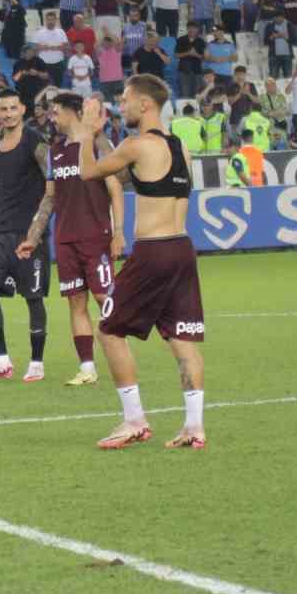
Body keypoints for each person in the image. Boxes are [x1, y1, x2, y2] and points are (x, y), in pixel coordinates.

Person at [77, 75, 207, 451]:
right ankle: (194, 427)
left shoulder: (136, 145)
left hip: (152, 251)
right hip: (182, 247)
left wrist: (87, 132)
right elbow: (125, 172)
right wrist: (102, 138)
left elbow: (89, 172)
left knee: (109, 330)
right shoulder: (180, 149)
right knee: (182, 340)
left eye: (126, 98)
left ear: (146, 104)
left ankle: (134, 420)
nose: (122, 104)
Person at [24, 92, 124, 388]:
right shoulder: (55, 151)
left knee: (105, 299)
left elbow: (116, 189)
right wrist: (33, 235)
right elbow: (51, 196)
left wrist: (119, 232)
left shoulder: (96, 144)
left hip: (96, 237)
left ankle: (121, 358)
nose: (52, 118)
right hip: (65, 239)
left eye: (56, 112)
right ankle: (87, 368)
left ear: (75, 112)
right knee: (76, 304)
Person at [0, 90, 52, 384]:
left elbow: (52, 186)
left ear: (23, 110)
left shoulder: (36, 143)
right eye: (3, 109)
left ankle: (36, 362)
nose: (8, 113)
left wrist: (37, 230)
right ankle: (1, 359)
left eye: (13, 108)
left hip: (29, 234)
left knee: (33, 298)